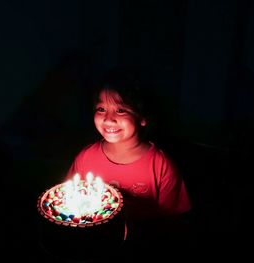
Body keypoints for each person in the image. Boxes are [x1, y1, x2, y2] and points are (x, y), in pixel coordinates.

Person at [65, 67, 192, 258]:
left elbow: (173, 221)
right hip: (94, 248)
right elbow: (67, 200)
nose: (108, 119)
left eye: (121, 110)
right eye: (101, 109)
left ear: (142, 117)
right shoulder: (86, 158)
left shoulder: (161, 165)